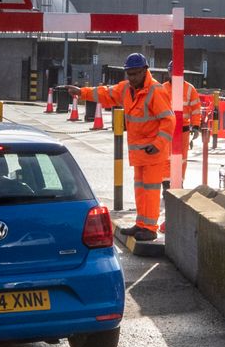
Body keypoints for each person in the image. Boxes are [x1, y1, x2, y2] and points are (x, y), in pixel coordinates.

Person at [66, 53, 174, 240]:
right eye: (129, 74)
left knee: (151, 191)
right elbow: (105, 94)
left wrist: (157, 144)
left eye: (135, 74)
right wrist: (81, 92)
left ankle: (150, 228)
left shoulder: (155, 91)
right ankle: (142, 224)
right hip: (140, 152)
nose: (132, 78)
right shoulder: (126, 89)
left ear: (144, 71)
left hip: (153, 152)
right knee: (141, 189)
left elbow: (168, 120)